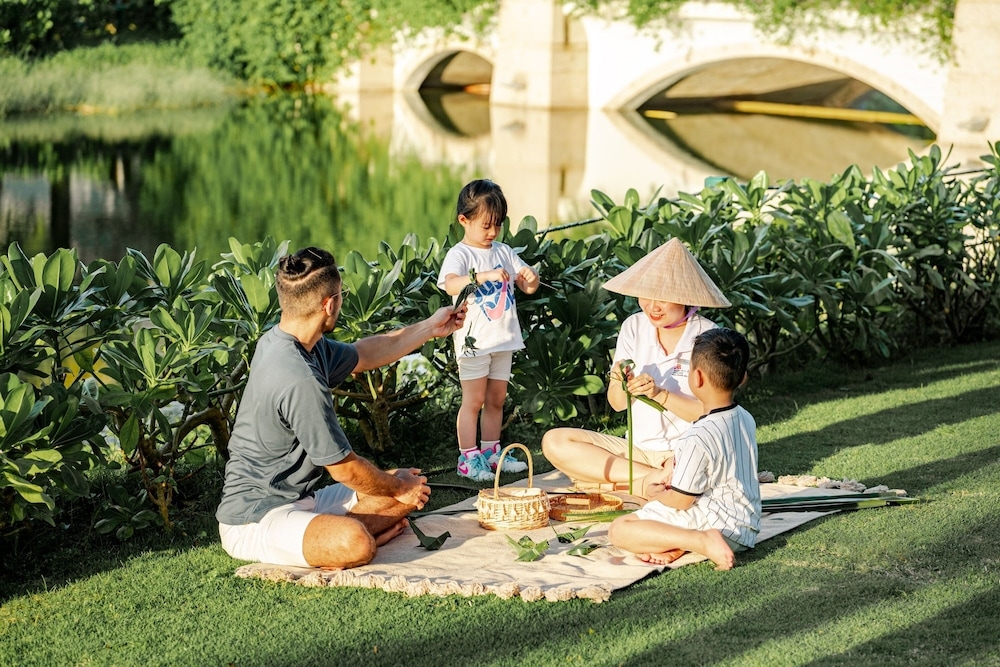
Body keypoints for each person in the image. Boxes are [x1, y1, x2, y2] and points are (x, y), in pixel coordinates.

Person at [216, 246, 466, 569]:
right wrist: (397, 487)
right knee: (359, 538)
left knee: (412, 486)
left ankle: (344, 532)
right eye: (342, 295)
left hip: (302, 500)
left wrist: (431, 327)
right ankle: (361, 538)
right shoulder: (299, 377)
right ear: (329, 305)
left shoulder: (297, 342)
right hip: (256, 519)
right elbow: (344, 469)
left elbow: (364, 354)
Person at [541, 237, 731, 494]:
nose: (652, 307)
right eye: (647, 296)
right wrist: (620, 380)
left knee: (695, 468)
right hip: (637, 452)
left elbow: (710, 413)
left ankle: (635, 481)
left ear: (685, 298)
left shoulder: (707, 336)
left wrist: (659, 394)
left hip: (686, 450)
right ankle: (653, 479)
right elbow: (617, 403)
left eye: (663, 298)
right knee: (555, 441)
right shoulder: (634, 326)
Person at [607, 327, 760, 570]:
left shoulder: (697, 435)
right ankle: (678, 545)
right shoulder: (745, 417)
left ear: (696, 378)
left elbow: (681, 501)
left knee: (620, 530)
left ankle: (699, 541)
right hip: (746, 526)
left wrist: (655, 496)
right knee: (654, 512)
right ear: (742, 378)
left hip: (718, 526)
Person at [437, 179, 540, 481]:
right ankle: (468, 460)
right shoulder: (460, 254)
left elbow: (527, 286)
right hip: (474, 344)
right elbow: (450, 284)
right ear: (463, 220)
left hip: (503, 340)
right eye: (485, 226)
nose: (492, 233)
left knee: (496, 401)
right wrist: (484, 275)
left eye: (497, 225)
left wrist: (530, 276)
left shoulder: (504, 251)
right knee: (473, 402)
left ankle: (492, 455)